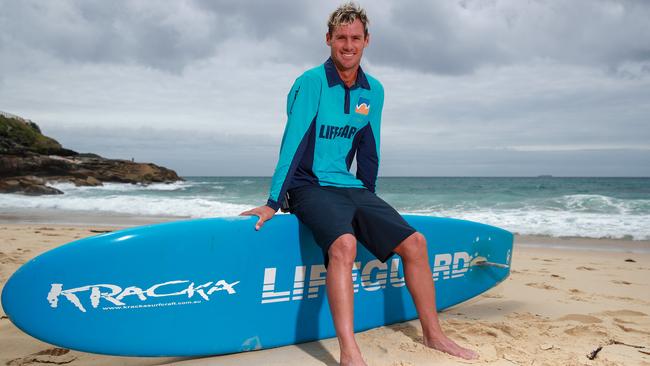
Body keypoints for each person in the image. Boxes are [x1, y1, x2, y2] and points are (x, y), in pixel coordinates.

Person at [241, 3, 478, 365]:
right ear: (329, 40)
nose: (348, 45)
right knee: (344, 244)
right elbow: (293, 143)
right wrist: (274, 201)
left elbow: (370, 147)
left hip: (349, 187)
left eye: (355, 38)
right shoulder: (312, 82)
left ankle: (434, 335)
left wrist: (369, 202)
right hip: (308, 186)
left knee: (415, 243)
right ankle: (350, 353)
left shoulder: (374, 90)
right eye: (341, 38)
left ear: (366, 41)